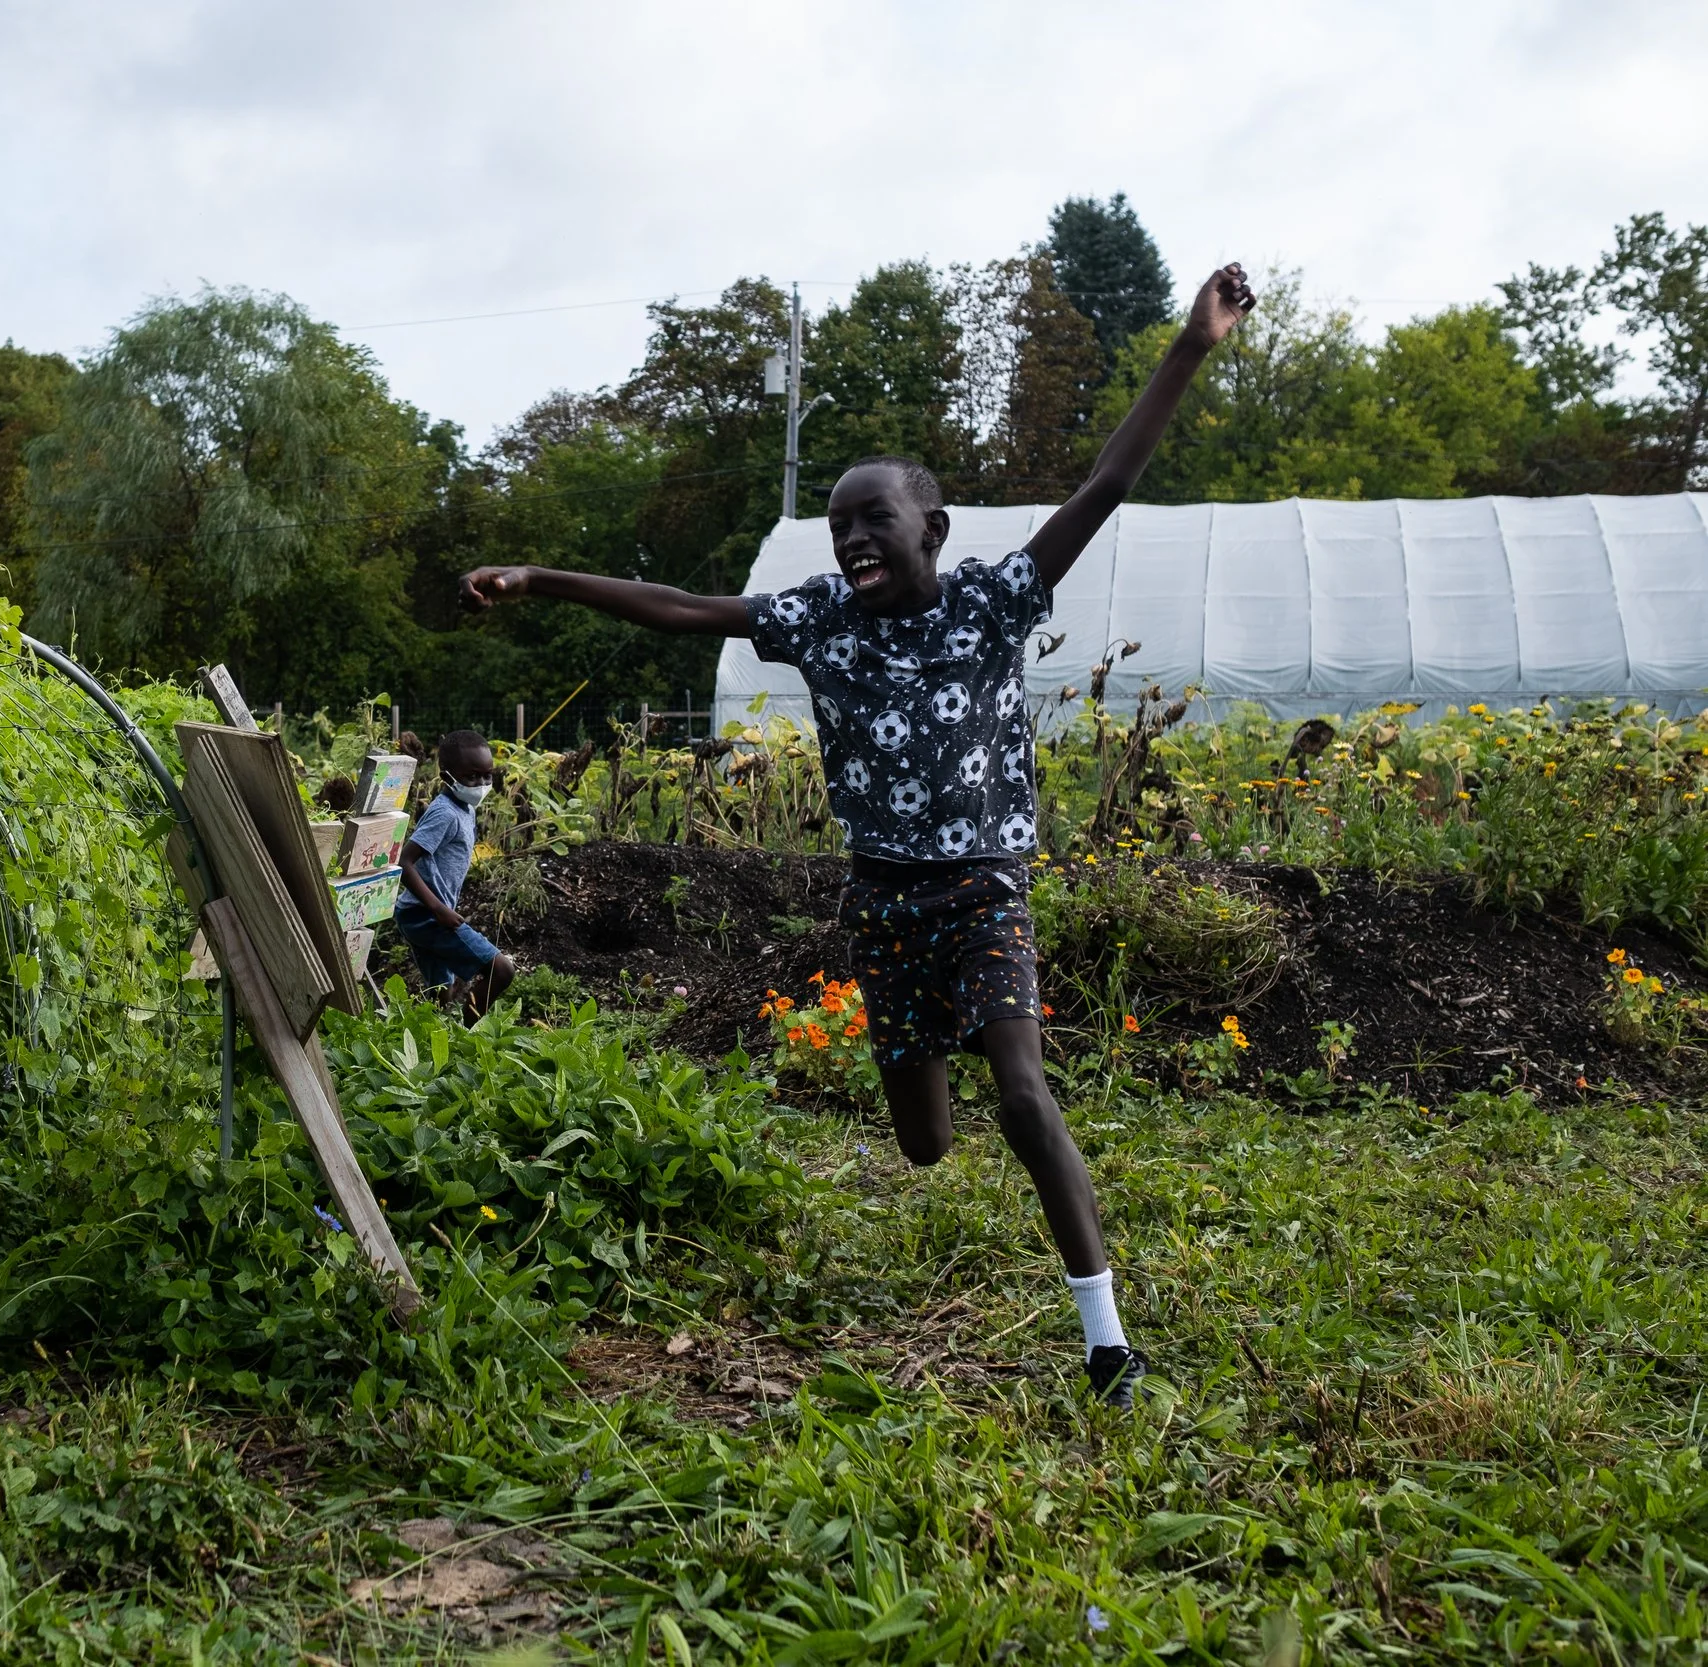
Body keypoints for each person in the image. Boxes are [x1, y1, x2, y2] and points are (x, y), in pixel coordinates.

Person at [457, 263, 1259, 1406]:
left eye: (871, 518)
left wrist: (1188, 347)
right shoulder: (821, 622)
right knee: (924, 1141)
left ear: (930, 526)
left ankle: (1106, 1344)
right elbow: (685, 605)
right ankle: (955, 1129)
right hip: (882, 901)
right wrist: (542, 577)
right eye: (837, 526)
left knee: (1022, 1094)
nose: (848, 540)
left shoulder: (994, 599)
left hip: (982, 887)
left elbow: (1106, 481)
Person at [395, 730, 517, 1021]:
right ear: (447, 776)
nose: (482, 784)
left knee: (441, 990)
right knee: (502, 969)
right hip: (424, 915)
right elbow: (405, 861)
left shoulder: (465, 808)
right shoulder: (445, 813)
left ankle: (429, 1039)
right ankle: (469, 1036)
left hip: (420, 912)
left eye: (488, 776)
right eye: (472, 777)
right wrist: (438, 909)